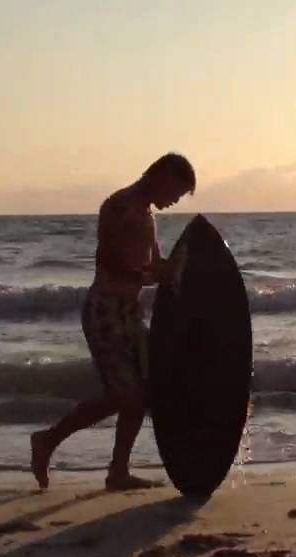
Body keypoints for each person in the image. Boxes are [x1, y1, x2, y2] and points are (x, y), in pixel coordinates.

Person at [29, 153, 196, 491]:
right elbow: (109, 262)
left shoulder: (147, 216)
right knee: (124, 396)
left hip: (130, 312)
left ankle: (118, 472)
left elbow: (155, 266)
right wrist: (152, 275)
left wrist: (178, 268)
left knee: (141, 394)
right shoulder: (119, 206)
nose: (174, 201)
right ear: (163, 176)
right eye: (176, 192)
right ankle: (48, 439)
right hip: (104, 312)